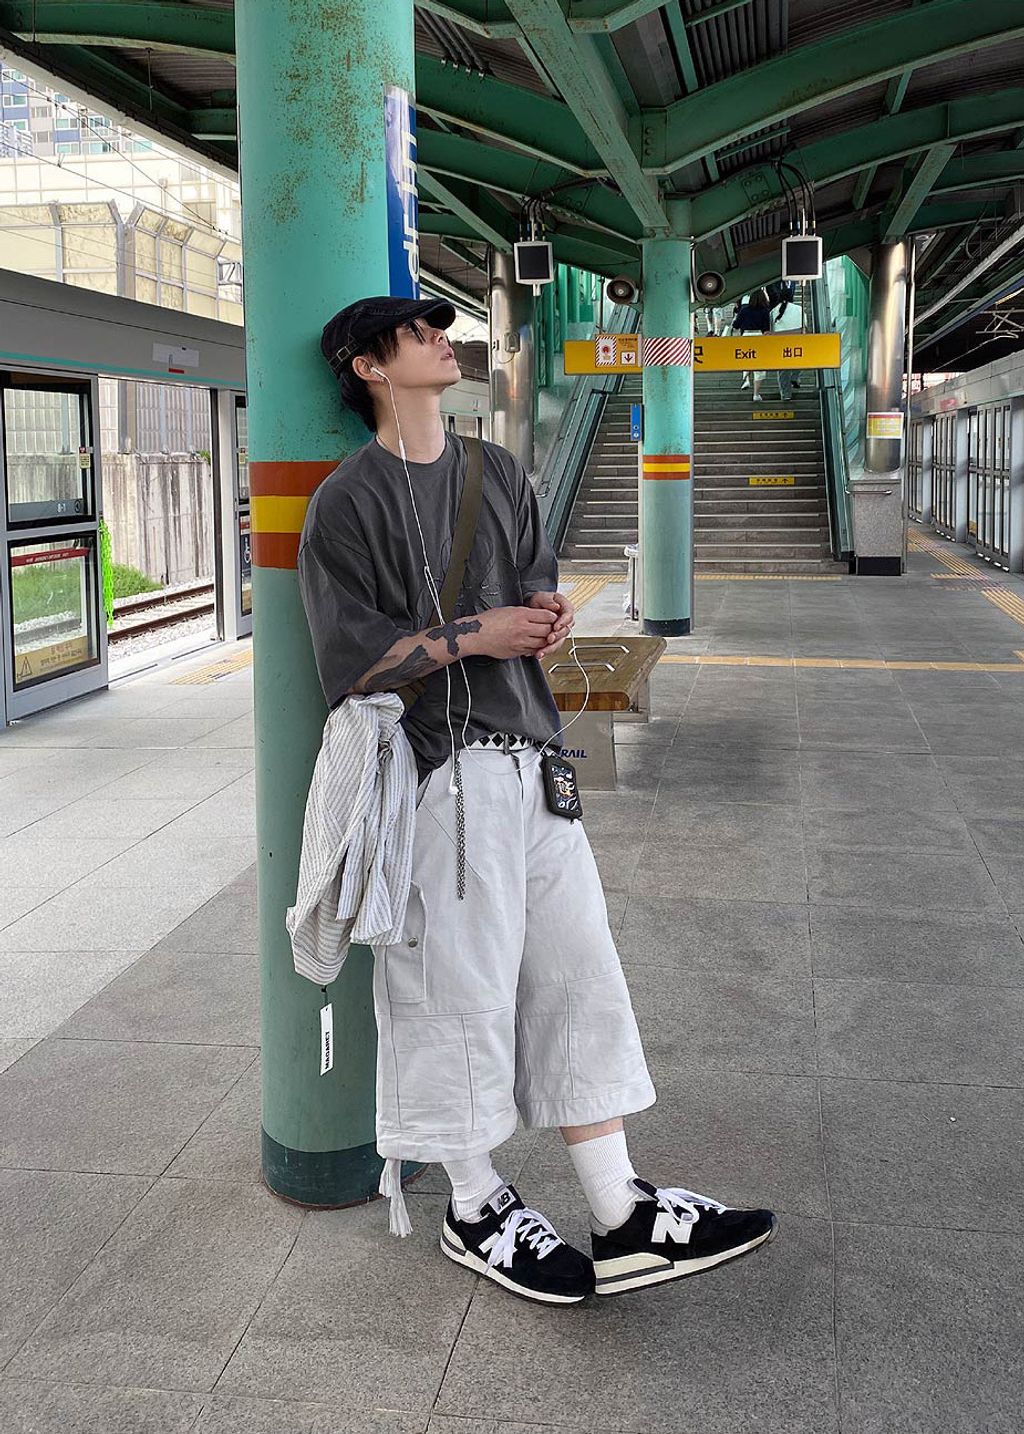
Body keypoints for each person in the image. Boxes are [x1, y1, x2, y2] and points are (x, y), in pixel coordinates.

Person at [296, 293, 777, 1305]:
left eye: (440, 327)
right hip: (443, 776)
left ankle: (619, 1210)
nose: (442, 339)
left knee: (579, 979)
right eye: (418, 332)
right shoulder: (348, 502)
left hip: (534, 762)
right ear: (368, 367)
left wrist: (546, 619)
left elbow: (531, 589)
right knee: (454, 996)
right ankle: (474, 1205)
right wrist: (478, 634)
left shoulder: (498, 471)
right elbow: (350, 665)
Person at [730, 288, 772, 401]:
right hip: (759, 337)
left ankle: (746, 379)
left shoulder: (744, 310)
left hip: (746, 336)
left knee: (746, 358)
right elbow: (766, 329)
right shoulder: (765, 311)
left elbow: (736, 325)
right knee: (759, 365)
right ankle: (756, 394)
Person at [765, 280, 801, 401]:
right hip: (796, 342)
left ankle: (786, 394)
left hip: (780, 344)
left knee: (783, 370)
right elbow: (804, 329)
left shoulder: (773, 311)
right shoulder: (799, 309)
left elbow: (771, 330)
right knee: (799, 361)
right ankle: (794, 377)